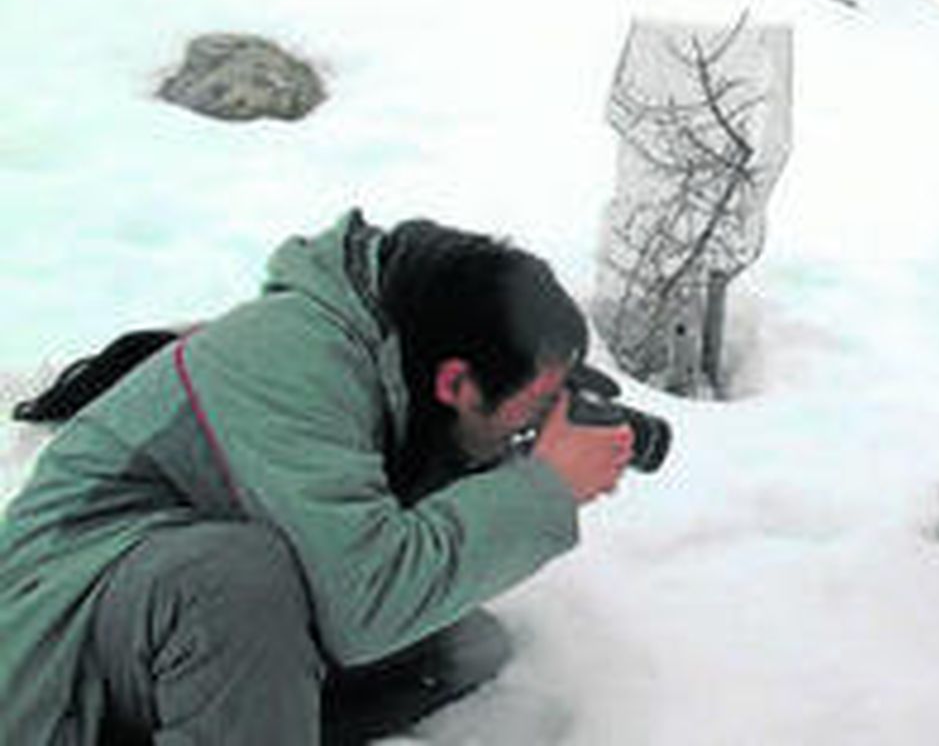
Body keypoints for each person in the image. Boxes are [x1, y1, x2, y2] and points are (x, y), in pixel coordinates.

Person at [0, 210, 635, 745]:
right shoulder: (294, 357)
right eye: (539, 398)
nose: (540, 420)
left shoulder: (396, 355)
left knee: (458, 649)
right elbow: (368, 602)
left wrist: (513, 451)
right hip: (56, 634)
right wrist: (544, 488)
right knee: (237, 580)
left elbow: (382, 531)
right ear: (456, 383)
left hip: (156, 623)